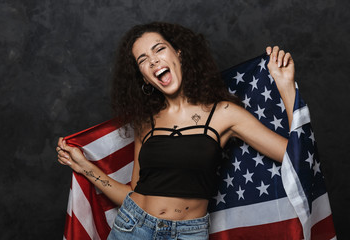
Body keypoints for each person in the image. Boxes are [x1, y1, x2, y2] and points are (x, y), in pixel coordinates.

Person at [56, 22, 295, 239]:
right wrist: (84, 167)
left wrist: (286, 88)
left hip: (188, 234)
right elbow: (133, 193)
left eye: (159, 49)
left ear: (179, 54)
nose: (153, 60)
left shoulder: (224, 113)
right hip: (131, 227)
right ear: (145, 78)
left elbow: (294, 153)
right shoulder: (147, 123)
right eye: (142, 59)